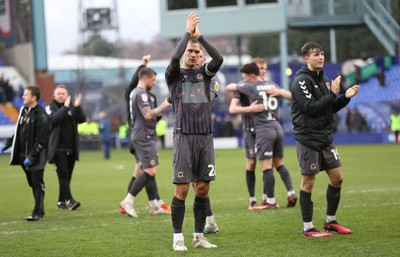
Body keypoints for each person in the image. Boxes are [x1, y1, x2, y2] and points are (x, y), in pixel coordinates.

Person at [165, 13, 223, 251]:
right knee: (182, 188)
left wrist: (201, 37)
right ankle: (178, 237)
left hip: (205, 137)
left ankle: (198, 236)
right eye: (190, 51)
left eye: (197, 52)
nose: (194, 54)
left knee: (203, 188)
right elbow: (174, 57)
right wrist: (188, 34)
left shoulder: (206, 75)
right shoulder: (175, 75)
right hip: (184, 136)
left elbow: (218, 58)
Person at [290, 41, 360, 237]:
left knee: (338, 179)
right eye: (315, 54)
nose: (320, 57)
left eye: (322, 54)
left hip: (325, 137)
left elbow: (328, 107)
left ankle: (330, 221)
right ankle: (308, 227)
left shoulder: (325, 79)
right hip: (308, 137)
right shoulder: (301, 81)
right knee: (308, 183)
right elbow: (311, 108)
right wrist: (332, 94)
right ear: (306, 58)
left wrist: (345, 97)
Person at [229, 58, 297, 210]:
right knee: (254, 163)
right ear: (254, 70)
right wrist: (249, 108)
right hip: (251, 129)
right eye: (260, 68)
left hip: (263, 129)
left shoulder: (263, 86)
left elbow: (229, 88)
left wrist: (278, 92)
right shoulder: (248, 86)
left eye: (265, 68)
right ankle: (253, 199)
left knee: (267, 165)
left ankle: (268, 199)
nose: (264, 70)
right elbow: (232, 107)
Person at [120, 54, 171, 216]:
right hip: (143, 136)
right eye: (153, 80)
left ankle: (154, 204)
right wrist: (164, 105)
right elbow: (148, 115)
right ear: (146, 78)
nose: (154, 83)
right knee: (150, 170)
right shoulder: (140, 93)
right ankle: (128, 201)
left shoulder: (141, 93)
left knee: (144, 170)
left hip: (144, 135)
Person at [0, 86, 49, 221]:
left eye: (26, 94)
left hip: (36, 156)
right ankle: (41, 211)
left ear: (34, 98)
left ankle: (37, 212)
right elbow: (18, 131)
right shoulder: (24, 111)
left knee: (37, 182)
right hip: (23, 155)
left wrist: (32, 156)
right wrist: (8, 144)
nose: (23, 96)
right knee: (32, 183)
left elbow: (42, 139)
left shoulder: (41, 115)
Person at [46, 84, 86, 211]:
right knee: (63, 174)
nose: (61, 95)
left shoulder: (72, 107)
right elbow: (53, 120)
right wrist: (65, 107)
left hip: (71, 148)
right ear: (54, 95)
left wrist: (77, 107)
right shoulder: (49, 108)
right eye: (58, 93)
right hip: (57, 149)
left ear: (67, 95)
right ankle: (70, 200)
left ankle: (60, 202)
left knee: (67, 176)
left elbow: (82, 119)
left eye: (63, 93)